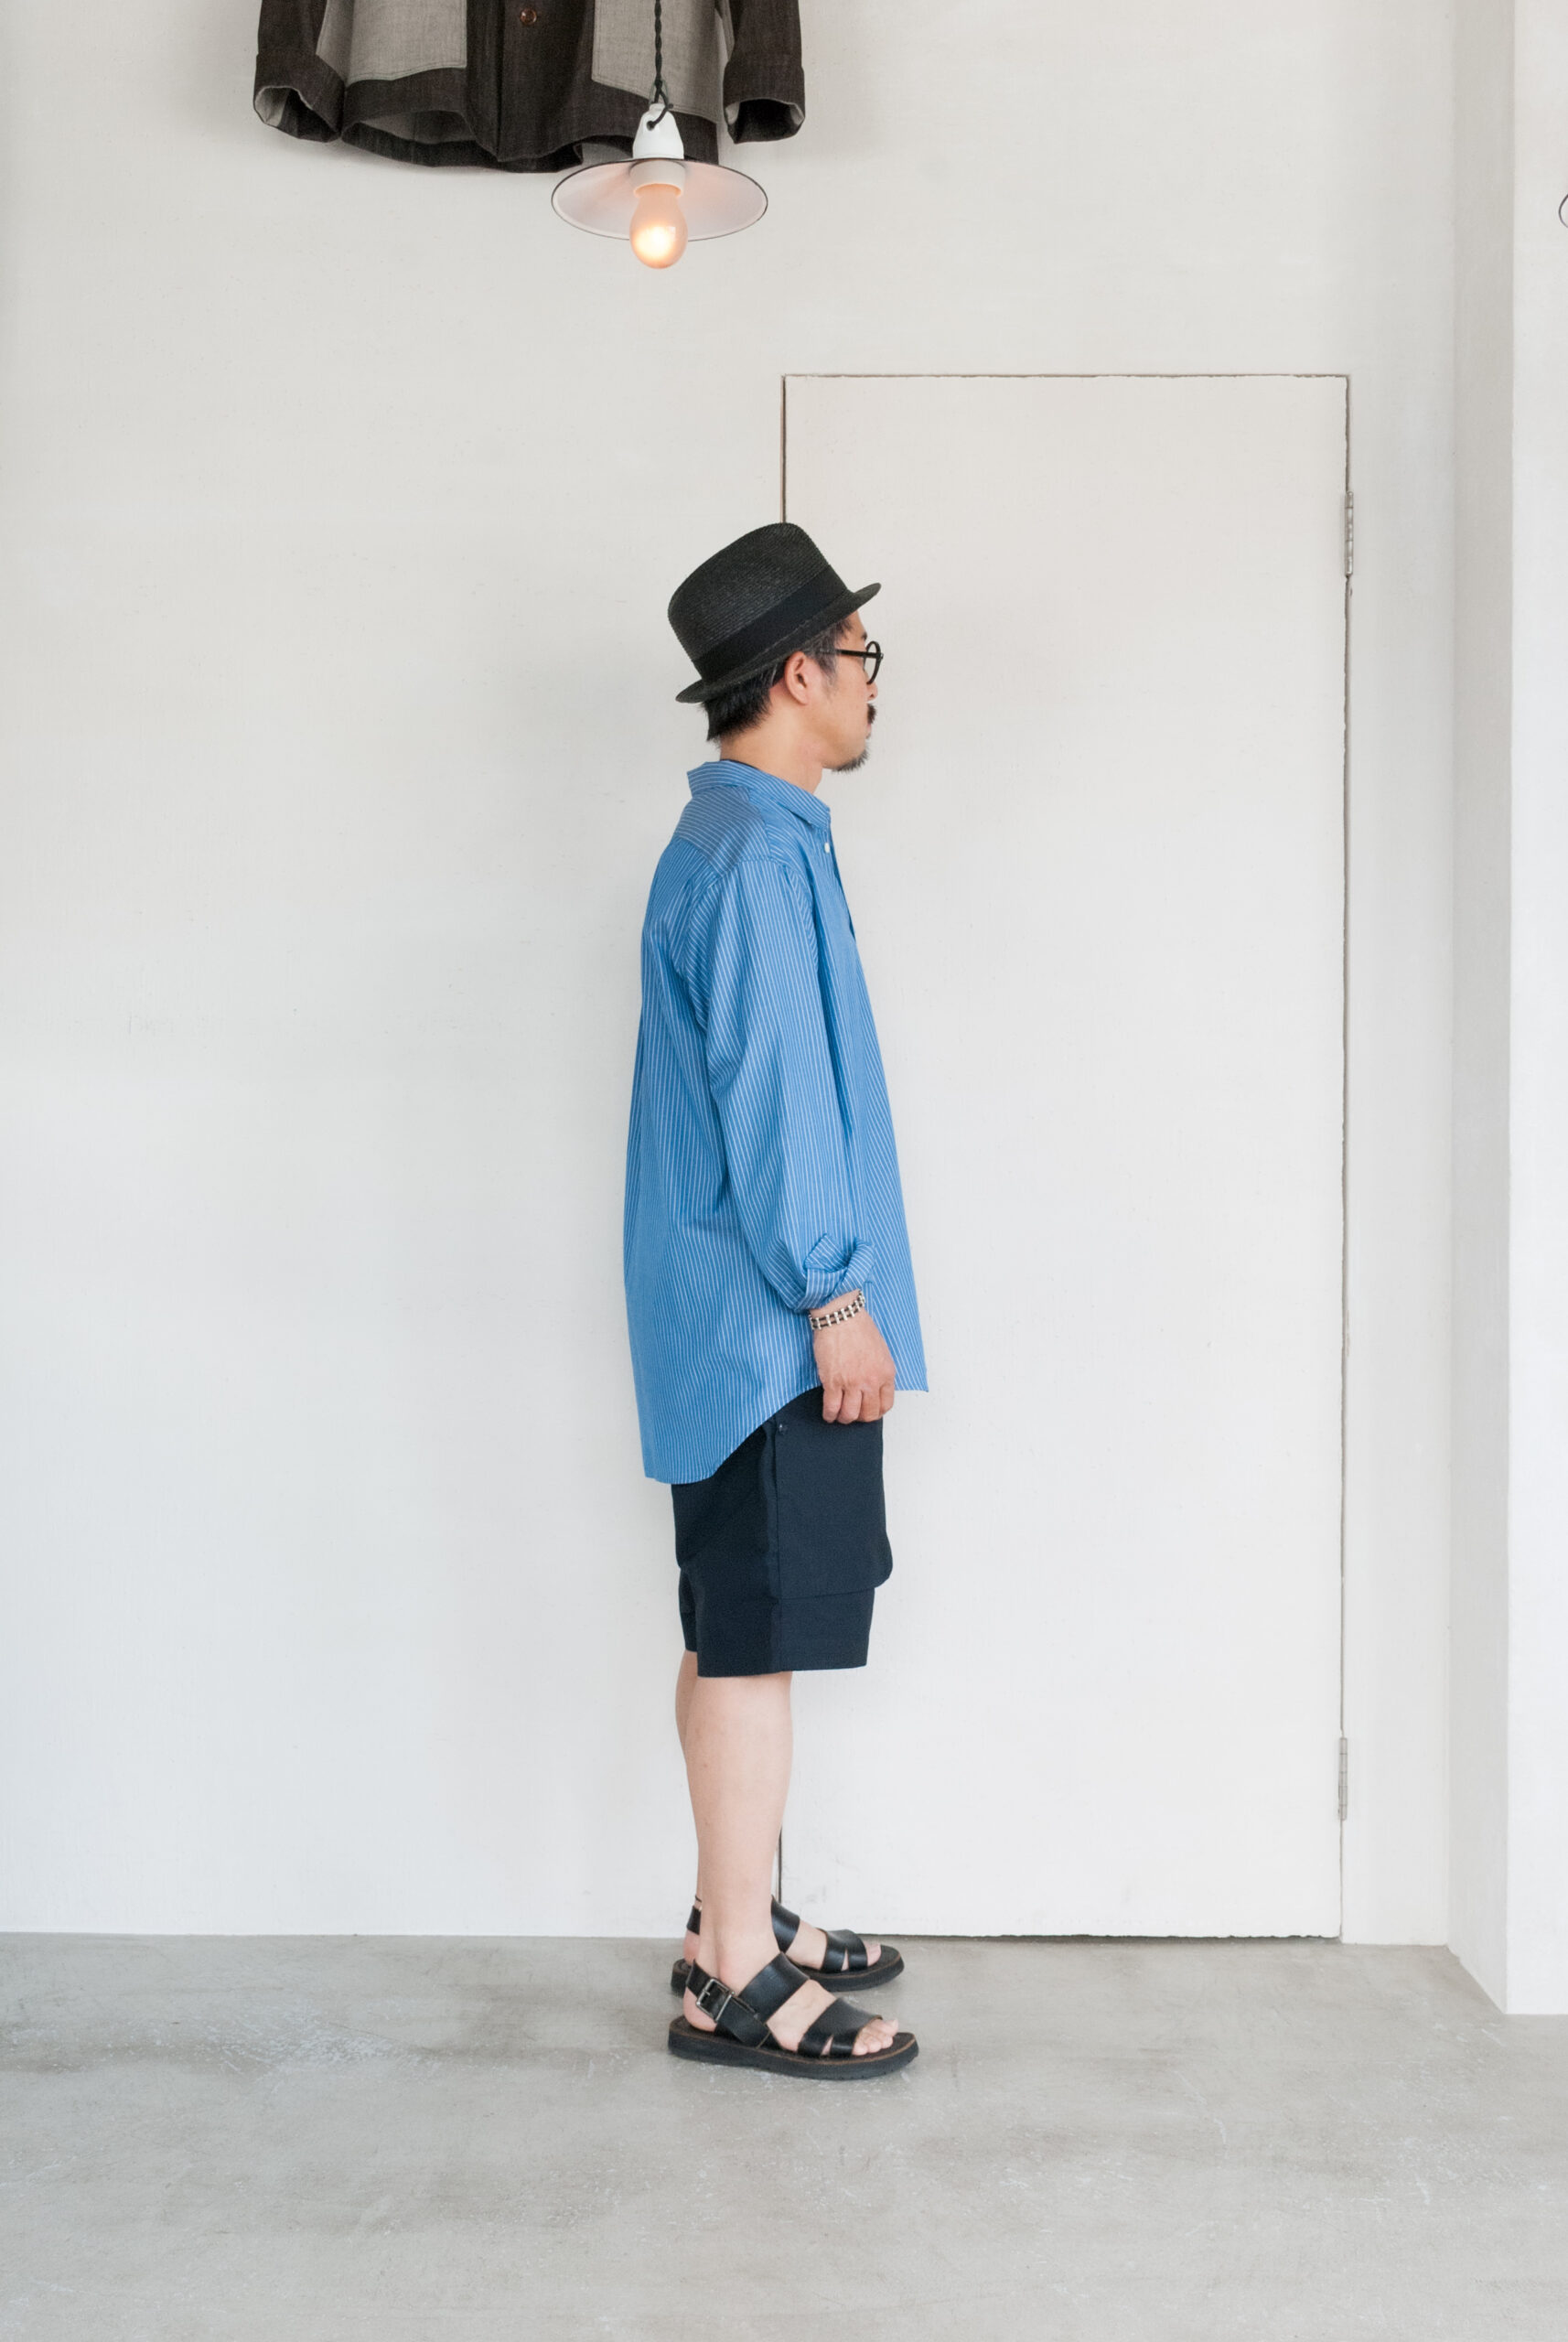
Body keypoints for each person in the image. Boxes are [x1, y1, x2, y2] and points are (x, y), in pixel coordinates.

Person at [623, 522, 926, 2079]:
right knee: (749, 1638)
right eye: (860, 656)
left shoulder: (754, 836)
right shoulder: (752, 857)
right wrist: (832, 1300)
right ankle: (734, 1973)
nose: (875, 682)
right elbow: (777, 1102)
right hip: (767, 1331)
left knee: (734, 1622)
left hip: (733, 1325)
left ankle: (730, 1910)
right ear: (799, 673)